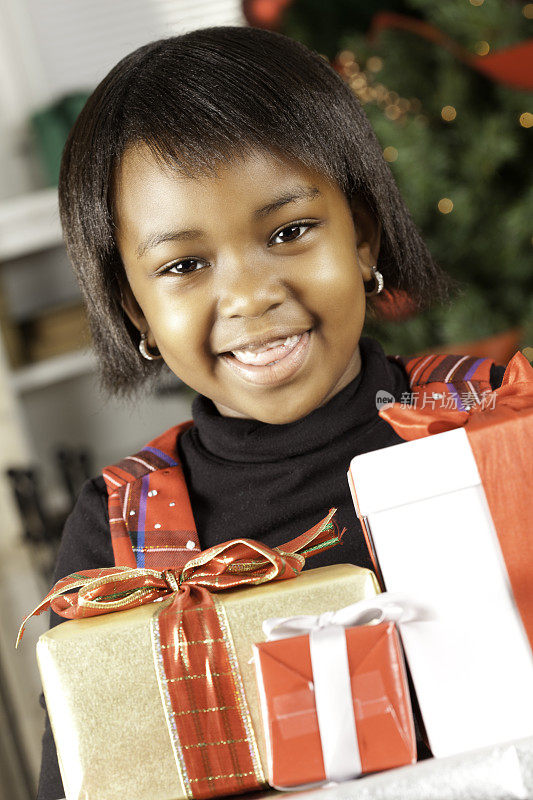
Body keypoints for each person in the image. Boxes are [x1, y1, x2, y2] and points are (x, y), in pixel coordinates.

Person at [36, 26, 505, 799]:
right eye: (184, 265)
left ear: (362, 236)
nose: (251, 295)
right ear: (136, 309)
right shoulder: (121, 528)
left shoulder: (496, 419)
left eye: (289, 232)